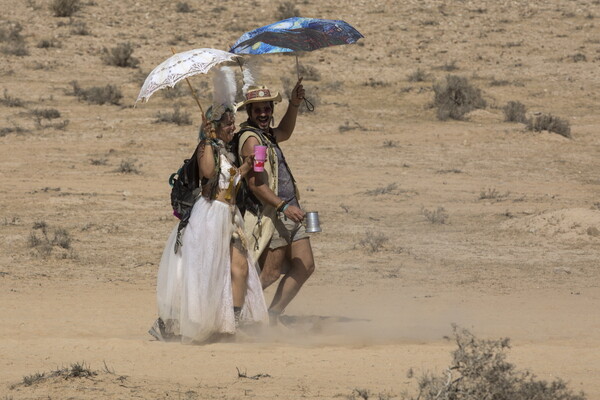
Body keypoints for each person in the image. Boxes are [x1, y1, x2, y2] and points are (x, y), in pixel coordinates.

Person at [149, 68, 268, 343]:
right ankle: (204, 324)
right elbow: (209, 177)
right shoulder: (207, 148)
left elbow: (230, 184)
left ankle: (233, 322)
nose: (233, 127)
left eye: (233, 122)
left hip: (228, 215)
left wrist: (245, 167)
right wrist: (208, 139)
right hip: (210, 217)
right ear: (215, 124)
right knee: (209, 271)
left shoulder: (226, 149)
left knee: (240, 269)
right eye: (228, 123)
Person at [235, 78, 316, 325]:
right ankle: (239, 316)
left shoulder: (267, 134)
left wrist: (294, 104)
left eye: (267, 108)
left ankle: (271, 316)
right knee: (269, 272)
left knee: (306, 265)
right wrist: (283, 206)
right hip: (276, 213)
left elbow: (285, 132)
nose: (264, 113)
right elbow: (255, 184)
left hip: (291, 210)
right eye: (258, 109)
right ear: (249, 112)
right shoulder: (253, 140)